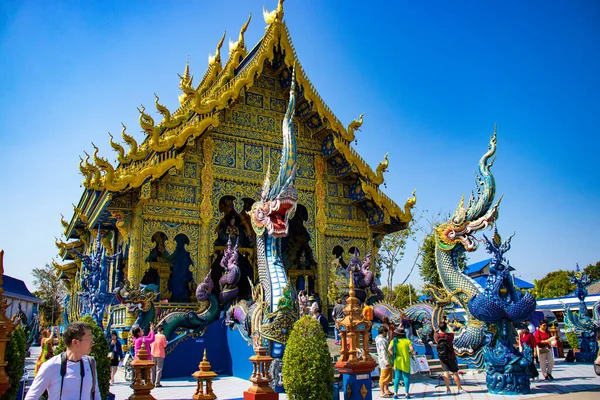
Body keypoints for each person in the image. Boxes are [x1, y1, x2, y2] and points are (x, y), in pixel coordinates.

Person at [26, 321, 101, 400]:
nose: (92, 342)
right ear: (75, 342)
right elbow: (31, 397)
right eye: (89, 338)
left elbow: (96, 395)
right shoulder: (51, 366)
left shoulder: (90, 363)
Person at [434, 318, 466, 395]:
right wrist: (448, 324)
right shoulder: (449, 336)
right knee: (455, 372)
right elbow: (452, 332)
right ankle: (459, 388)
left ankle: (448, 389)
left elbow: (436, 341)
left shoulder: (437, 336)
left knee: (445, 372)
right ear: (445, 328)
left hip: (442, 357)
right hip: (451, 356)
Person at [388, 328, 414, 399]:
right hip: (405, 360)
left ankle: (395, 393)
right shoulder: (407, 341)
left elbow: (389, 349)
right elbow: (412, 349)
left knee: (397, 377)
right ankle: (407, 393)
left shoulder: (394, 341)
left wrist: (393, 354)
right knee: (406, 377)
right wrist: (409, 353)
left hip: (397, 360)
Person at [376, 325, 393, 398]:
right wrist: (386, 362)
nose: (387, 333)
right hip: (384, 360)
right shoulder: (381, 340)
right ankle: (382, 391)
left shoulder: (382, 339)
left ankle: (386, 389)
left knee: (388, 375)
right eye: (386, 332)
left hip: (387, 358)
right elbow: (383, 351)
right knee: (383, 376)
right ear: (383, 332)